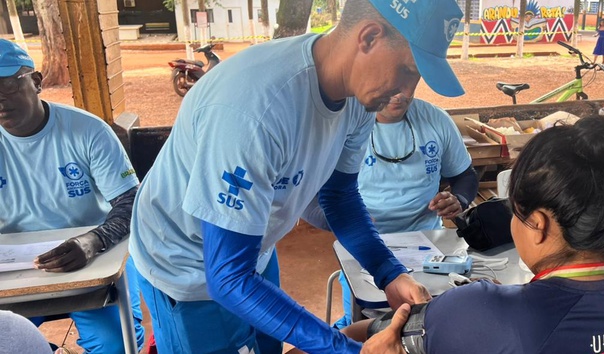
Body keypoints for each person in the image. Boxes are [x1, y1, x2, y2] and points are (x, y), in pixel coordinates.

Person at [128, 0, 466, 353]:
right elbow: (227, 277)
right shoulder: (254, 111)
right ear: (368, 37)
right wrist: (344, 349)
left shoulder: (359, 95)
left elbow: (339, 197)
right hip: (185, 260)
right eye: (408, 71)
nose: (408, 92)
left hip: (251, 246)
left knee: (266, 343)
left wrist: (389, 272)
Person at [347, 116, 604, 353]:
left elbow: (352, 337)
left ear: (538, 224)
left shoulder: (474, 310)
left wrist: (485, 307)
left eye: (514, 211)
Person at [0, 39, 144, 353]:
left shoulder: (87, 131)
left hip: (95, 256)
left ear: (36, 82)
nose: (0, 98)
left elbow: (131, 202)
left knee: (116, 344)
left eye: (9, 84)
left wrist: (95, 240)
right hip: (14, 269)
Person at [304, 94, 479, 329]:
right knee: (366, 322)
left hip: (428, 244)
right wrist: (346, 221)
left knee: (431, 322)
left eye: (409, 80)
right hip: (363, 245)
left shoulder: (436, 119)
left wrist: (459, 199)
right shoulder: (340, 126)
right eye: (392, 85)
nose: (400, 94)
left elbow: (464, 175)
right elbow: (305, 195)